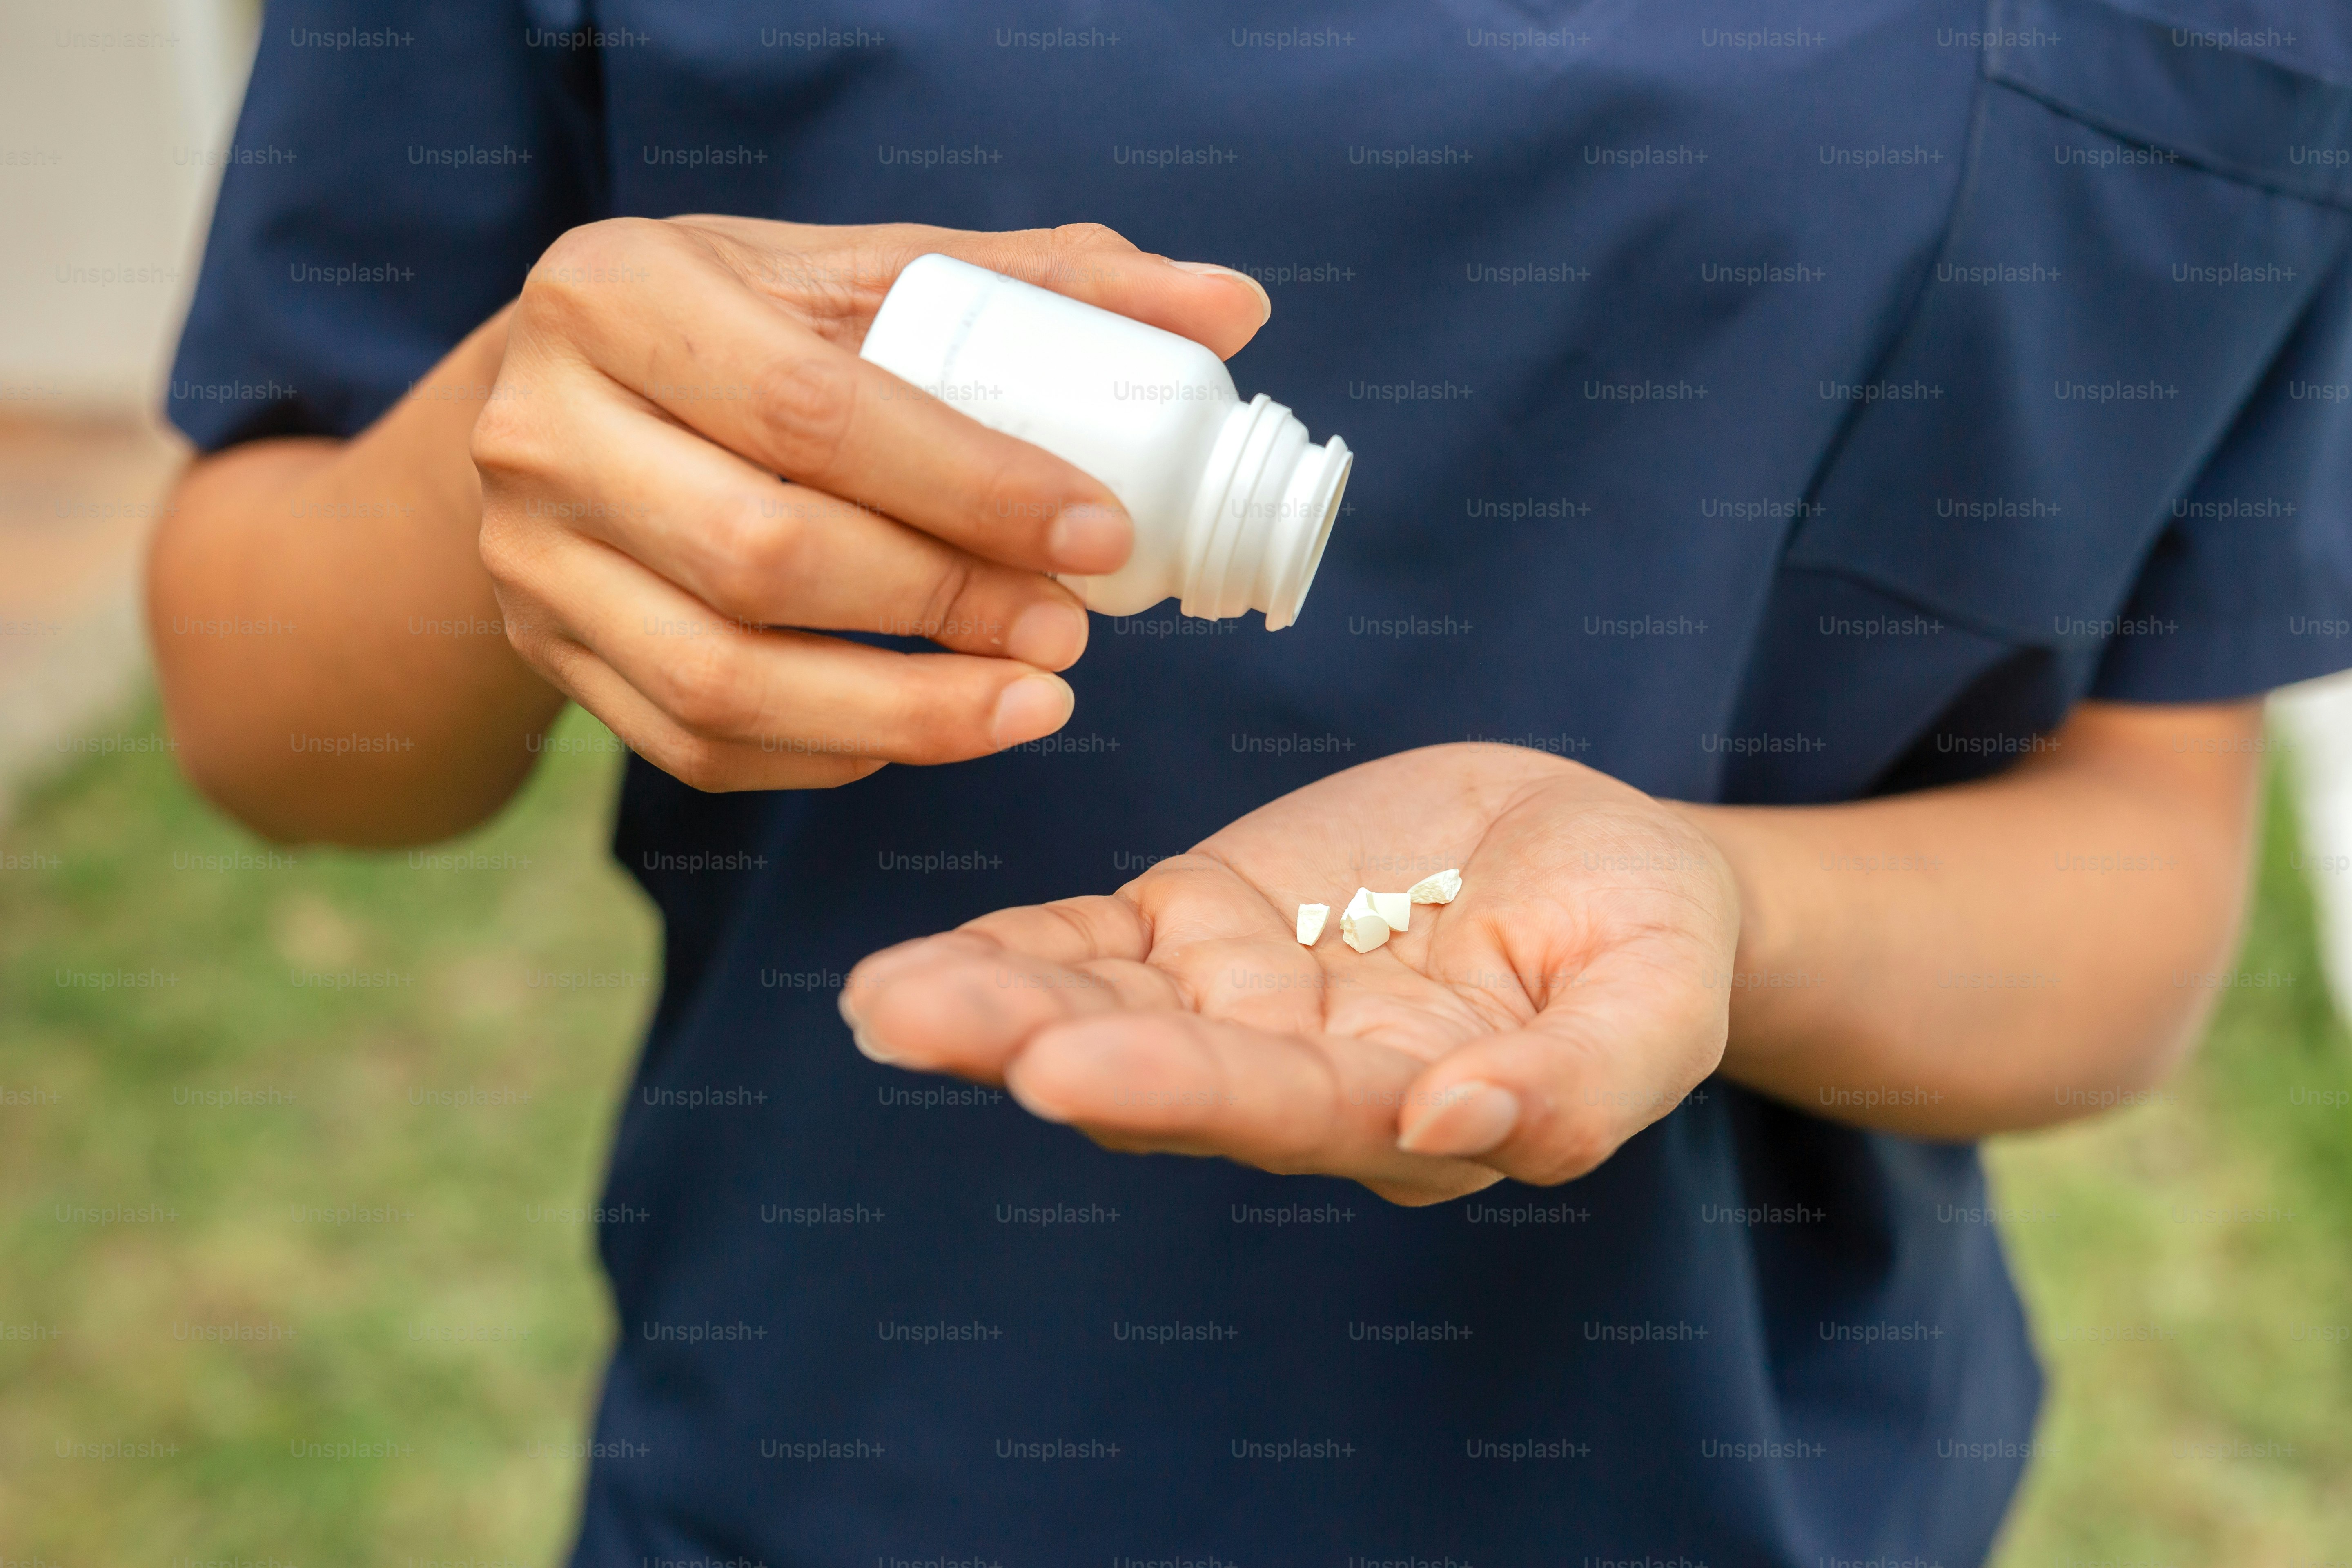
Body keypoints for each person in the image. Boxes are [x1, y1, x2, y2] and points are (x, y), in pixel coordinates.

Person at [151, 1, 2352, 1561]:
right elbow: (262, 716)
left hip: (1747, 1497)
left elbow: (2141, 883)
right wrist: (499, 457)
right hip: (845, 1451)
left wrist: (1726, 906)